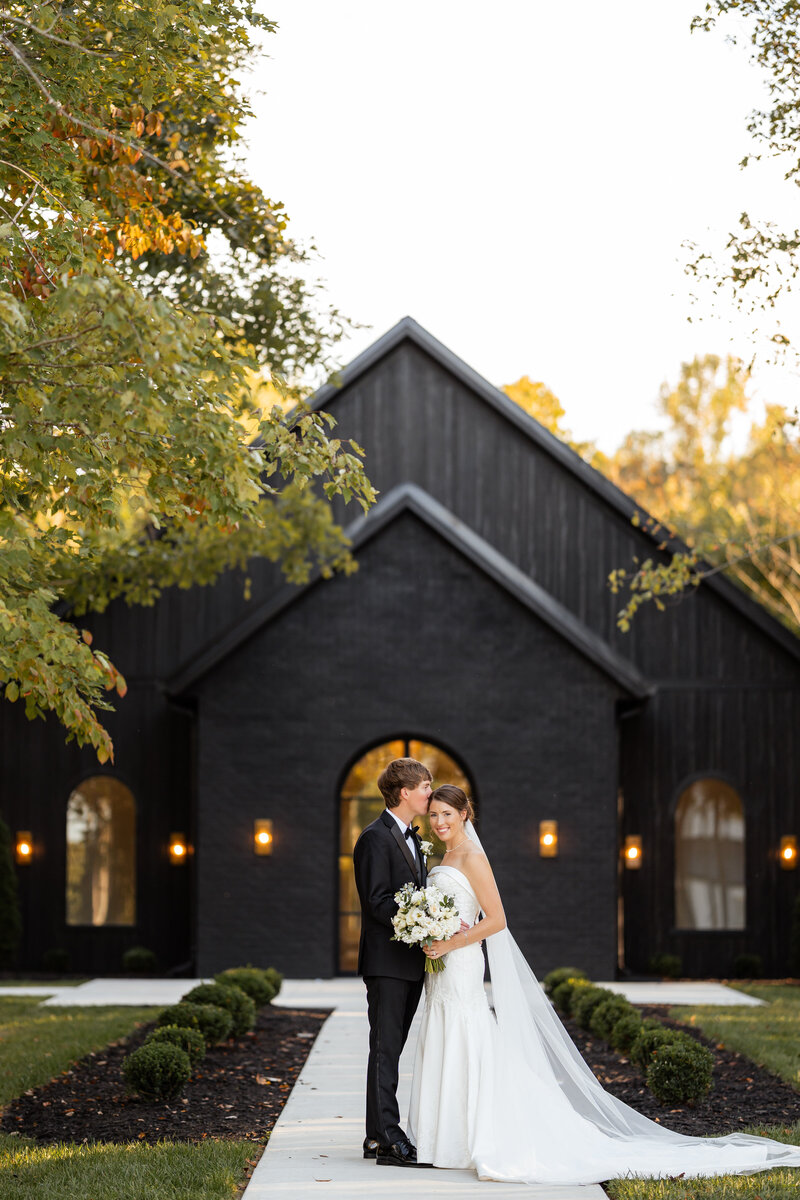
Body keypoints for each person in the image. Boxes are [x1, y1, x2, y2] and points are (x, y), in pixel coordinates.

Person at [407, 784, 800, 1185]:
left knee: (466, 1034)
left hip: (461, 962)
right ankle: (445, 1139)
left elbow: (497, 920)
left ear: (464, 815)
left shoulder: (472, 856)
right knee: (445, 1033)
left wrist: (452, 940)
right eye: (434, 815)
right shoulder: (443, 855)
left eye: (447, 815)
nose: (439, 822)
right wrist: (429, 931)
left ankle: (471, 1137)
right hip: (441, 962)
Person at [352, 757, 432, 1168]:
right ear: (405, 792)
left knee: (390, 1049)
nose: (429, 794)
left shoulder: (412, 839)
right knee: (385, 1048)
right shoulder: (374, 838)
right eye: (425, 787)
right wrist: (421, 921)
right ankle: (389, 1138)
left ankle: (374, 1135)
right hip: (387, 962)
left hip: (410, 963)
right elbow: (377, 901)